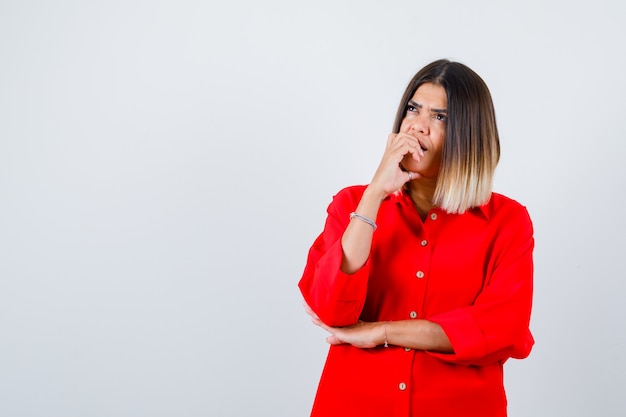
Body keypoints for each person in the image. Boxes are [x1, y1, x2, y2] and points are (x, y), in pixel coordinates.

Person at [298, 59, 534, 417]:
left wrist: (380, 332)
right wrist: (375, 192)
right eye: (413, 109)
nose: (418, 126)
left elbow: (499, 329)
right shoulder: (351, 204)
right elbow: (330, 309)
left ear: (469, 136)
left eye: (440, 117)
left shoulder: (507, 221)